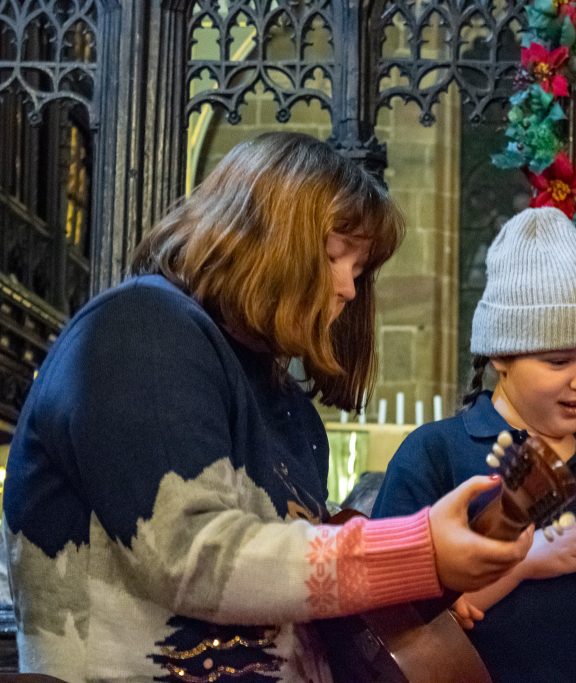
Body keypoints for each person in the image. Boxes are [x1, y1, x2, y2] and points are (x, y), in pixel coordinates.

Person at [1, 132, 532, 681]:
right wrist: (409, 552)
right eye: (334, 256)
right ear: (266, 238)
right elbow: (190, 556)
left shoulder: (286, 404)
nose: (350, 289)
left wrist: (441, 565)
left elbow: (296, 600)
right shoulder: (138, 329)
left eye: (359, 267)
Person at [372, 207, 576, 682]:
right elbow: (386, 625)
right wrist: (521, 563)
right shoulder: (436, 454)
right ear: (501, 355)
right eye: (559, 360)